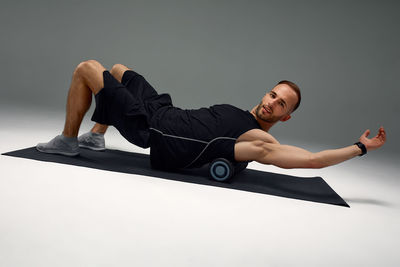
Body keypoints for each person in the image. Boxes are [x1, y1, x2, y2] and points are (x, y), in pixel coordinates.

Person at [36, 60, 386, 171]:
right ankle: (96, 134)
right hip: (164, 110)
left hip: (152, 131)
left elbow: (310, 159)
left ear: (286, 117)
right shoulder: (240, 112)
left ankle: (68, 141)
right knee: (118, 69)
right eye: (273, 95)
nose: (272, 103)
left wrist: (360, 147)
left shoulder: (256, 139)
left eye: (282, 105)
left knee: (88, 68)